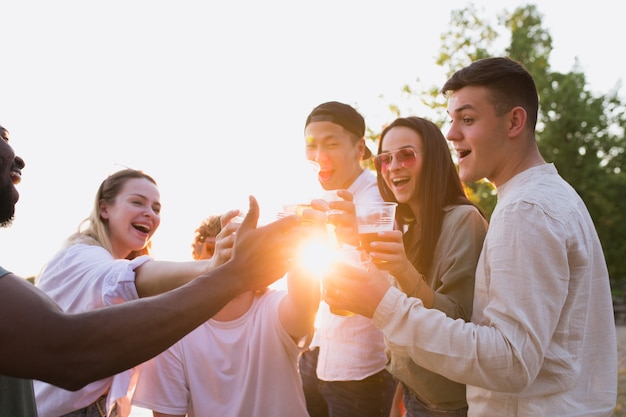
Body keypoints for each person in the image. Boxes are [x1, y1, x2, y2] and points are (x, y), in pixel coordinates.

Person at [321, 57, 618, 416]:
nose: (451, 134)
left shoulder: (526, 211)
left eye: (467, 119)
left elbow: (510, 361)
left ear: (514, 121)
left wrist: (384, 305)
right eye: (451, 120)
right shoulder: (544, 198)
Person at [0, 125, 303, 416]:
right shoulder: (78, 258)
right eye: (137, 202)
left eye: (157, 208)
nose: (150, 213)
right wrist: (217, 269)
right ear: (104, 209)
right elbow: (126, 278)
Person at [131, 213, 320, 417]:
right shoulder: (172, 332)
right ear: (196, 256)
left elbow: (305, 305)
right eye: (212, 250)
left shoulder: (274, 308)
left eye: (237, 250)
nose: (222, 259)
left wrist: (304, 242)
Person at [370, 116, 488, 416]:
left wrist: (402, 270)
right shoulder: (411, 231)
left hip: (447, 408)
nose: (393, 166)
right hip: (413, 398)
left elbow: (460, 322)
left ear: (435, 160)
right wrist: (402, 388)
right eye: (384, 159)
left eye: (406, 155)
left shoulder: (464, 220)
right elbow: (408, 325)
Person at [298, 101, 396, 417]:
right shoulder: (324, 196)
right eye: (311, 146)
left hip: (361, 367)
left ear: (359, 148)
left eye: (331, 143)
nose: (318, 156)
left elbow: (376, 275)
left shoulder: (376, 199)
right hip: (317, 351)